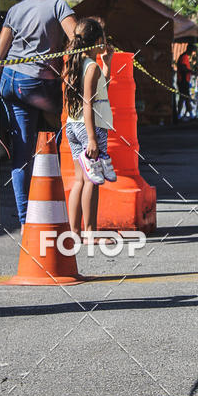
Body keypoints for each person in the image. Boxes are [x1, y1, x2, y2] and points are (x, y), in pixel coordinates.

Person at [0, 0, 77, 230]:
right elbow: (77, 38)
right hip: (41, 87)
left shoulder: (16, 10)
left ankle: (25, 221)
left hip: (12, 82)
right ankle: (53, 211)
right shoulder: (58, 5)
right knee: (54, 143)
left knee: (21, 154)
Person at [63, 18, 117, 239]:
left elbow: (98, 87)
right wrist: (93, 138)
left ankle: (75, 231)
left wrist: (108, 62)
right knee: (92, 180)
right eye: (103, 38)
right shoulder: (91, 67)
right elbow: (89, 102)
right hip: (90, 127)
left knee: (80, 180)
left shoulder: (77, 63)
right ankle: (90, 232)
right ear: (97, 41)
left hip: (72, 125)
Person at [177, 44, 195, 119]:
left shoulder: (185, 57)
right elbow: (183, 68)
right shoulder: (184, 57)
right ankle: (180, 114)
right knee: (184, 97)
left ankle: (188, 114)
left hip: (185, 80)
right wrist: (191, 71)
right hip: (183, 80)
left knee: (185, 97)